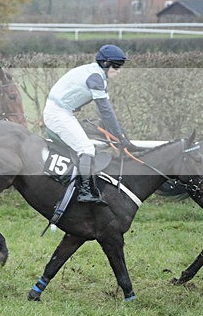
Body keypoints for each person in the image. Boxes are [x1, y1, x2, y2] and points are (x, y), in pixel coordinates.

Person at [43, 44, 140, 205]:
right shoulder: (95, 78)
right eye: (117, 66)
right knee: (86, 148)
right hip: (58, 114)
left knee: (92, 144)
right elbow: (106, 112)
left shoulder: (95, 74)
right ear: (106, 63)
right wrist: (120, 137)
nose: (119, 71)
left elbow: (106, 112)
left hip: (63, 112)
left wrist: (120, 135)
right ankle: (85, 192)